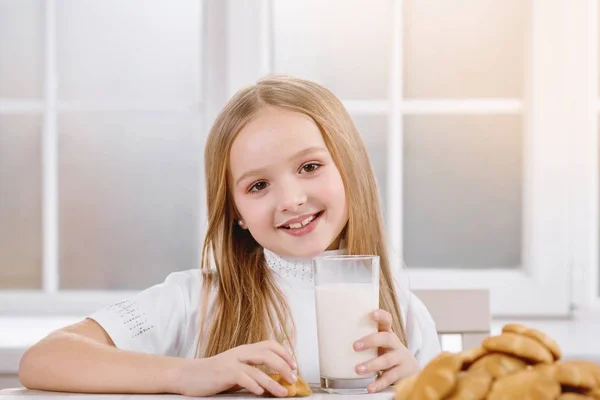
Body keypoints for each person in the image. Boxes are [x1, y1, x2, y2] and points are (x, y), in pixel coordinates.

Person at [18, 75, 441, 397]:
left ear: (350, 167)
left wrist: (417, 388)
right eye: (258, 186)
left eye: (309, 167)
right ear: (236, 213)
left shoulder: (401, 310)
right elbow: (45, 357)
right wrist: (190, 374)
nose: (291, 199)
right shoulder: (198, 300)